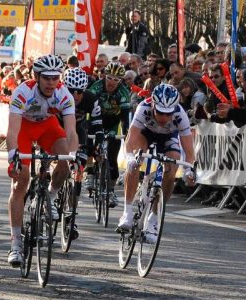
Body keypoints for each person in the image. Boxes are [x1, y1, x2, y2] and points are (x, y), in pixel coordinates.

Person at [5, 55, 78, 267]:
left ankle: (51, 197)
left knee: (64, 162)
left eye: (56, 78)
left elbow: (71, 132)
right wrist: (13, 156)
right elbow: (13, 129)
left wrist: (72, 155)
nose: (51, 83)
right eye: (46, 78)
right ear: (36, 76)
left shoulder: (64, 95)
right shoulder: (22, 92)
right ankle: (16, 243)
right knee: (21, 181)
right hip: (24, 129)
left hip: (48, 126)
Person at [117, 84, 196, 242]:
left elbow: (189, 152)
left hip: (168, 138)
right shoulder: (143, 108)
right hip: (146, 134)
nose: (164, 118)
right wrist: (131, 158)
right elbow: (130, 141)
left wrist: (189, 171)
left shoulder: (181, 115)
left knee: (172, 167)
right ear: (153, 104)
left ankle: (153, 218)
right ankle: (127, 212)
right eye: (160, 112)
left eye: (168, 113)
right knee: (134, 163)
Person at [61, 67, 102, 239]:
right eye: (71, 91)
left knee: (78, 172)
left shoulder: (91, 99)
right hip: (59, 127)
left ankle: (71, 217)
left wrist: (97, 142)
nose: (75, 95)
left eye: (79, 92)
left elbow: (97, 124)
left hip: (79, 130)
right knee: (57, 159)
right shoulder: (59, 96)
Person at [84, 62, 132, 207]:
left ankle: (110, 191)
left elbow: (125, 117)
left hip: (113, 121)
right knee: (88, 140)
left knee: (112, 158)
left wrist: (127, 133)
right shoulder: (96, 87)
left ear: (121, 80)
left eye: (116, 80)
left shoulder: (123, 93)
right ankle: (90, 171)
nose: (112, 82)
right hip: (95, 118)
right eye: (109, 78)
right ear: (104, 76)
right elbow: (87, 109)